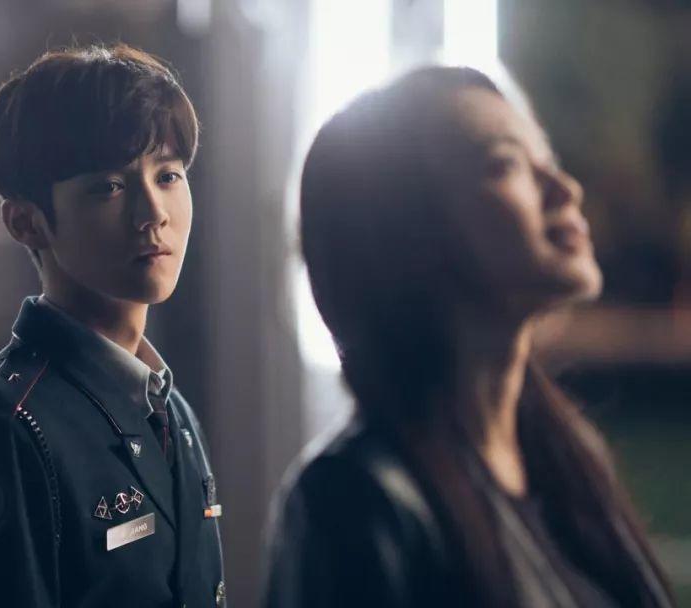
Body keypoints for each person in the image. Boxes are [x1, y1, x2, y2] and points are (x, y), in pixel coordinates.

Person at [264, 66, 675, 608]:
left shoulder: (569, 464)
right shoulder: (355, 502)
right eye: (506, 164)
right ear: (408, 230)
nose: (565, 189)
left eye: (546, 160)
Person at [0, 44, 226, 607]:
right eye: (109, 186)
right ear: (26, 222)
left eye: (169, 175)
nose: (154, 213)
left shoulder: (171, 413)